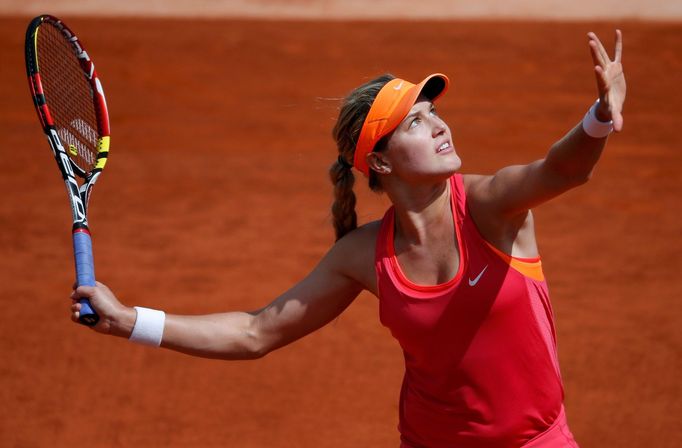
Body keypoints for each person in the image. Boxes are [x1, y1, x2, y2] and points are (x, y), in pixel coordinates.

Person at [70, 30, 625, 447]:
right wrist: (129, 321)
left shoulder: (491, 206)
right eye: (415, 122)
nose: (439, 126)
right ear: (380, 161)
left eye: (434, 112)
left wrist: (599, 118)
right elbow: (256, 330)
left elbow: (562, 170)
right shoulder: (363, 256)